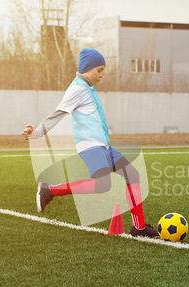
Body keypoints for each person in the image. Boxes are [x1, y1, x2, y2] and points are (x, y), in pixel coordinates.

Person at [22, 48, 159, 237]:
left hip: (104, 147)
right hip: (90, 146)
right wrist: (37, 132)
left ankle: (139, 227)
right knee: (103, 185)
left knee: (132, 174)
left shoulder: (88, 88)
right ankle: (50, 190)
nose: (101, 75)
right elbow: (58, 114)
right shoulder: (77, 89)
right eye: (99, 70)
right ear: (87, 68)